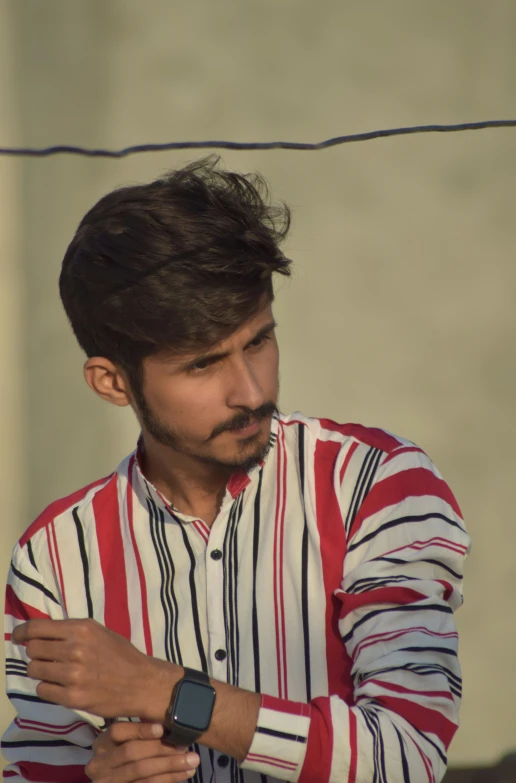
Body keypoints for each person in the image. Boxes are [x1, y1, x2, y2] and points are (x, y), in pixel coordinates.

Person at [2, 157, 469, 783]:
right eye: (203, 364)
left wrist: (168, 693)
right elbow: (34, 769)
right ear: (112, 382)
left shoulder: (375, 485)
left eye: (258, 341)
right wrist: (98, 779)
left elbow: (408, 756)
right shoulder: (52, 561)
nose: (249, 391)